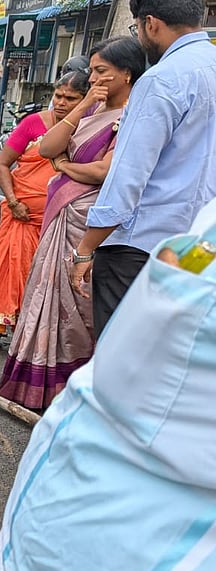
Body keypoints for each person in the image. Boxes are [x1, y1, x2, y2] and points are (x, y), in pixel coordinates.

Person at [0, 37, 145, 410]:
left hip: (88, 220)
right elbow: (47, 147)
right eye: (92, 71)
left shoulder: (131, 117)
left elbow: (102, 172)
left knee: (77, 305)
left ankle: (71, 386)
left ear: (126, 75)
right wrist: (84, 105)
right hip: (61, 214)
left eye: (102, 72)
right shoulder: (92, 112)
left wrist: (64, 167)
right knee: (46, 293)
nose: (94, 78)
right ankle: (38, 382)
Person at [71, 0, 216, 337]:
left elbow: (128, 175)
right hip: (199, 247)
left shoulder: (161, 79)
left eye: (136, 28)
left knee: (121, 349)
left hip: (139, 249)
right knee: (171, 348)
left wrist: (85, 249)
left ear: (151, 24)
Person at [0, 71, 89, 349]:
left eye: (70, 98)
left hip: (61, 217)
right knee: (10, 272)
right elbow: (2, 164)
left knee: (48, 279)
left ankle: (37, 334)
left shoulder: (88, 128)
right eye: (58, 96)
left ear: (85, 100)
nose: (61, 102)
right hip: (22, 215)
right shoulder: (33, 124)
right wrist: (13, 201)